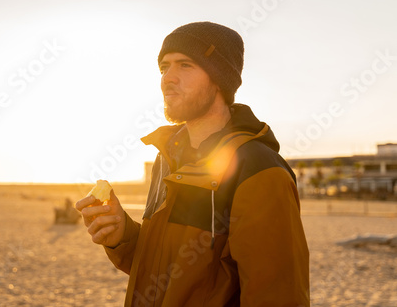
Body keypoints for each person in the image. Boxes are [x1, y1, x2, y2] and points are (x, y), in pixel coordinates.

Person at [75, 21, 310, 306]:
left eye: (185, 65)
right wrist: (121, 234)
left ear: (219, 78)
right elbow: (169, 272)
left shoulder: (258, 169)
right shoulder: (167, 159)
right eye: (164, 67)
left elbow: (276, 296)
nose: (168, 78)